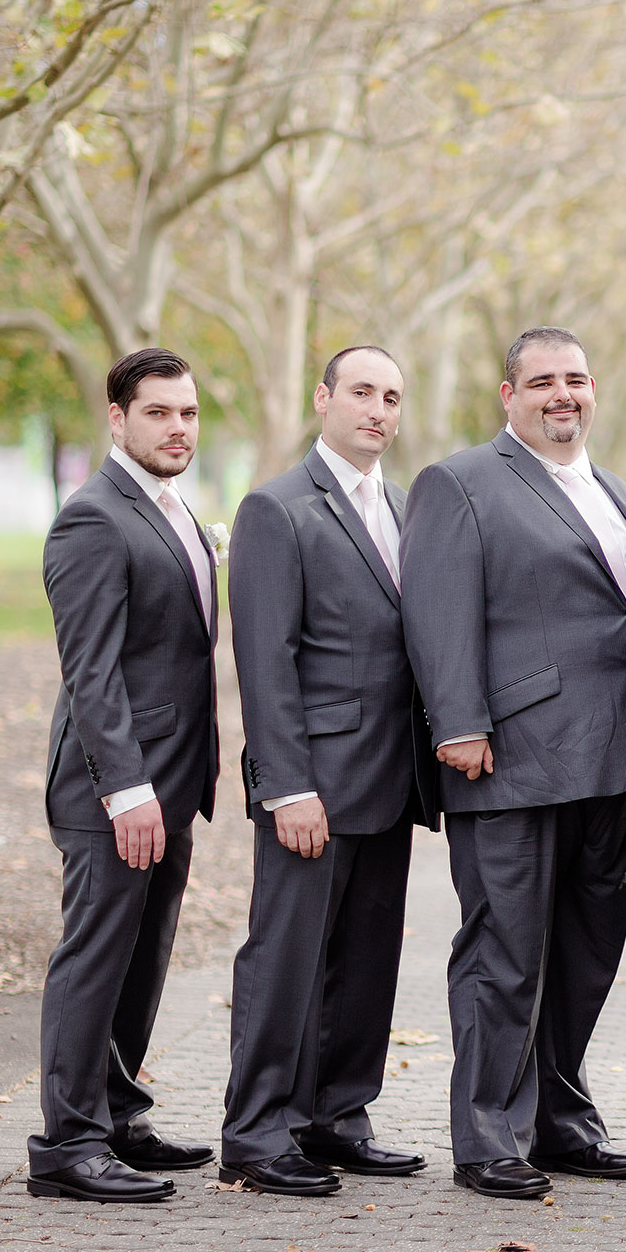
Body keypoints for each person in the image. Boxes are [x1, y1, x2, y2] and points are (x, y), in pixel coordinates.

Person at [401, 327, 626, 1200]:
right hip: (508, 756)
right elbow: (436, 611)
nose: (562, 394)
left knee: (589, 951)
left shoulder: (615, 490)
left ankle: (561, 1121)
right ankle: (487, 1136)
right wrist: (457, 722)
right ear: (508, 394)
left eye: (576, 378)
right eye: (542, 380)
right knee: (503, 952)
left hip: (617, 762)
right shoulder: (461, 481)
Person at [219, 345, 437, 1196]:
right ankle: (256, 1131)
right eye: (361, 392)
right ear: (323, 398)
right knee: (285, 958)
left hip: (390, 777)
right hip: (312, 780)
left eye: (392, 396)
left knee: (366, 959)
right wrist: (287, 785)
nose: (378, 410)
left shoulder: (408, 506)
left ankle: (339, 1117)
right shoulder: (276, 508)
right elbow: (264, 660)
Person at [30, 347, 220, 1202]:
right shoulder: (92, 519)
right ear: (117, 417)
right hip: (113, 789)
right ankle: (67, 1143)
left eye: (188, 412)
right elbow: (91, 671)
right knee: (96, 958)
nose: (178, 428)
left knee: (143, 960)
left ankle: (115, 1113)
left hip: (169, 783)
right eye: (158, 413)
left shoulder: (173, 508)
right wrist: (126, 788)